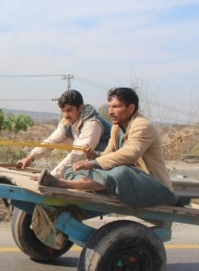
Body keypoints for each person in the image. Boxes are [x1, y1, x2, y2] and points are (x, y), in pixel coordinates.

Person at [37, 87, 178, 208]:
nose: (110, 111)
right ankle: (67, 181)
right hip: (130, 184)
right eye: (110, 106)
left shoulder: (142, 125)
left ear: (131, 108)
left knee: (122, 172)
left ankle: (62, 184)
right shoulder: (116, 128)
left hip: (154, 188)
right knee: (72, 169)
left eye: (116, 107)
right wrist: (94, 157)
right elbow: (109, 153)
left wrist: (93, 162)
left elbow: (130, 154)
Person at [16, 89, 111, 178]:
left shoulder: (92, 124)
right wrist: (30, 157)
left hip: (105, 165)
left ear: (81, 108)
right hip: (87, 160)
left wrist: (53, 176)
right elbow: (51, 141)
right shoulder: (67, 121)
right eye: (63, 111)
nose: (65, 115)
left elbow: (78, 154)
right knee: (61, 140)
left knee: (71, 175)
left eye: (69, 110)